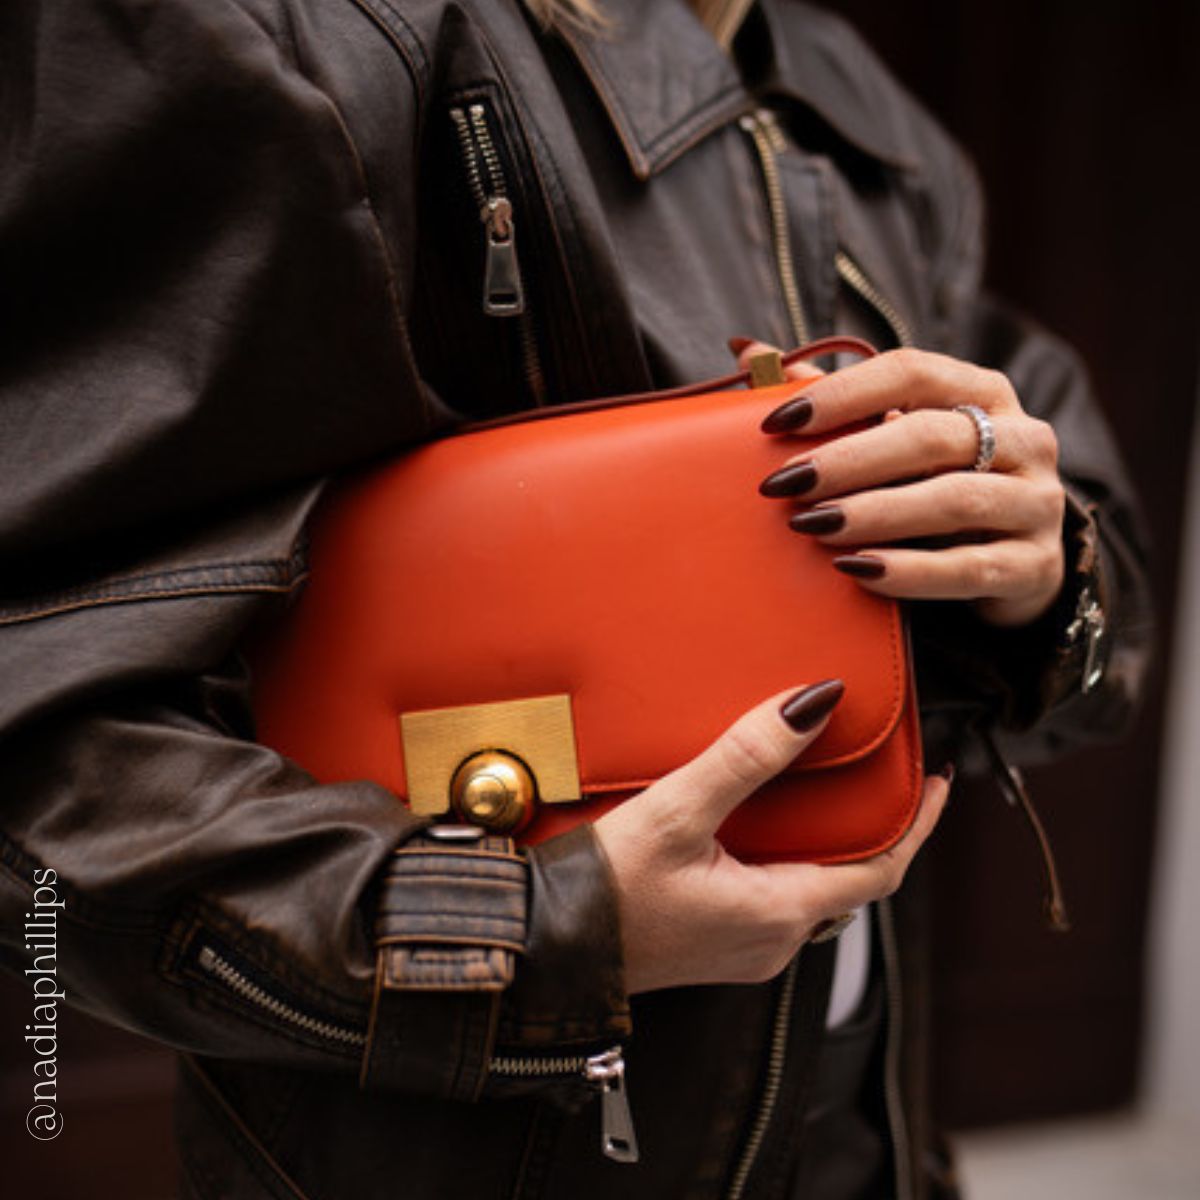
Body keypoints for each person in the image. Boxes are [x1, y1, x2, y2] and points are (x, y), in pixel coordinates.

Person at [0, 1, 1152, 1197]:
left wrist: (1039, 575)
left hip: (861, 1137)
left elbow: (1102, 572)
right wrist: (534, 934)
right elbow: (38, 746)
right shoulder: (271, 27)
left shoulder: (845, 94)